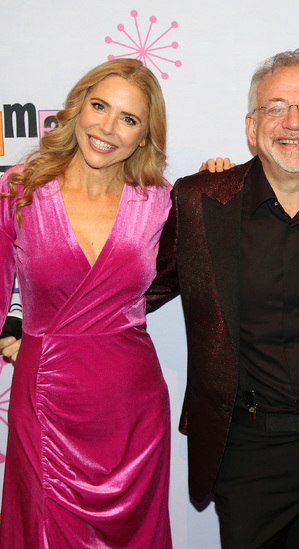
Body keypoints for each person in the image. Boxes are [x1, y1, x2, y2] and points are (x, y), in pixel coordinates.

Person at [146, 49, 299, 548]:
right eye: (275, 107)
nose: (293, 122)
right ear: (251, 127)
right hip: (245, 446)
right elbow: (142, 287)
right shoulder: (200, 202)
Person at [0, 59, 172, 548]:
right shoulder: (21, 190)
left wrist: (220, 178)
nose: (107, 127)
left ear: (144, 137)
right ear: (77, 108)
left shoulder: (161, 202)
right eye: (100, 106)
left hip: (134, 412)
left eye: (129, 118)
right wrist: (14, 334)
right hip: (46, 404)